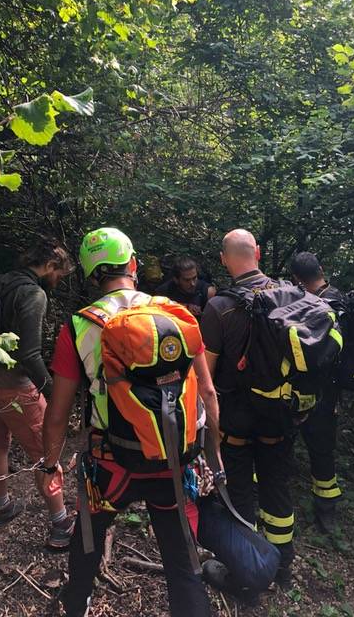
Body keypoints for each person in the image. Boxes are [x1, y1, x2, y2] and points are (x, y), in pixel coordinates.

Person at [42, 227, 220, 617]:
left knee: (87, 540)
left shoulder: (78, 327)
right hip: (171, 460)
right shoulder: (175, 315)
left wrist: (49, 464)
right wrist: (213, 460)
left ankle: (77, 603)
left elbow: (57, 415)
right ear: (134, 265)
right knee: (181, 561)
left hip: (110, 465)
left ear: (92, 277)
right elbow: (207, 393)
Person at [200, 229, 295, 589]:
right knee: (276, 487)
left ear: (225, 259)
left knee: (239, 493)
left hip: (235, 418)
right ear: (256, 251)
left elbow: (206, 377)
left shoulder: (218, 308)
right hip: (279, 412)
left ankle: (246, 572)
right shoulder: (290, 296)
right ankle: (283, 566)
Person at [0, 238, 75, 548]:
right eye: (60, 274)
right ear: (50, 266)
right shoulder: (33, 293)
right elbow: (29, 354)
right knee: (46, 453)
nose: (58, 281)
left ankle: (2, 506)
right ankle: (60, 525)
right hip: (12, 387)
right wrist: (54, 392)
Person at [290, 252, 344, 533]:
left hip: (300, 391)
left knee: (282, 443)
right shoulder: (341, 301)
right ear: (321, 269)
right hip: (328, 395)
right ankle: (327, 513)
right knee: (323, 452)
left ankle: (271, 501)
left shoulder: (302, 306)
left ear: (297, 279)